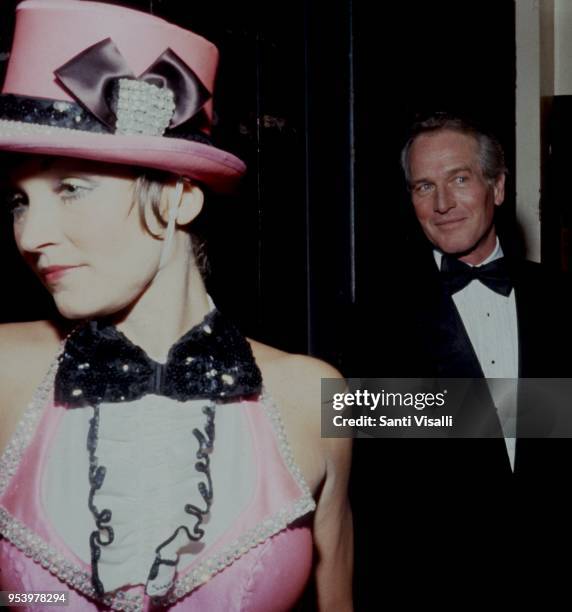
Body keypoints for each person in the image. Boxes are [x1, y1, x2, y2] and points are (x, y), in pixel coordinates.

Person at [0, 1, 352, 610]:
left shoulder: (316, 397)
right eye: (19, 200)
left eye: (69, 188)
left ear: (178, 197)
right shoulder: (6, 370)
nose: (30, 235)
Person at [348, 112, 572, 608]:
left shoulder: (562, 300)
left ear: (497, 187)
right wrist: (551, 409)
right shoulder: (374, 317)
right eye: (424, 186)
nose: (443, 203)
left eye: (460, 179)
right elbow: (370, 476)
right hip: (436, 585)